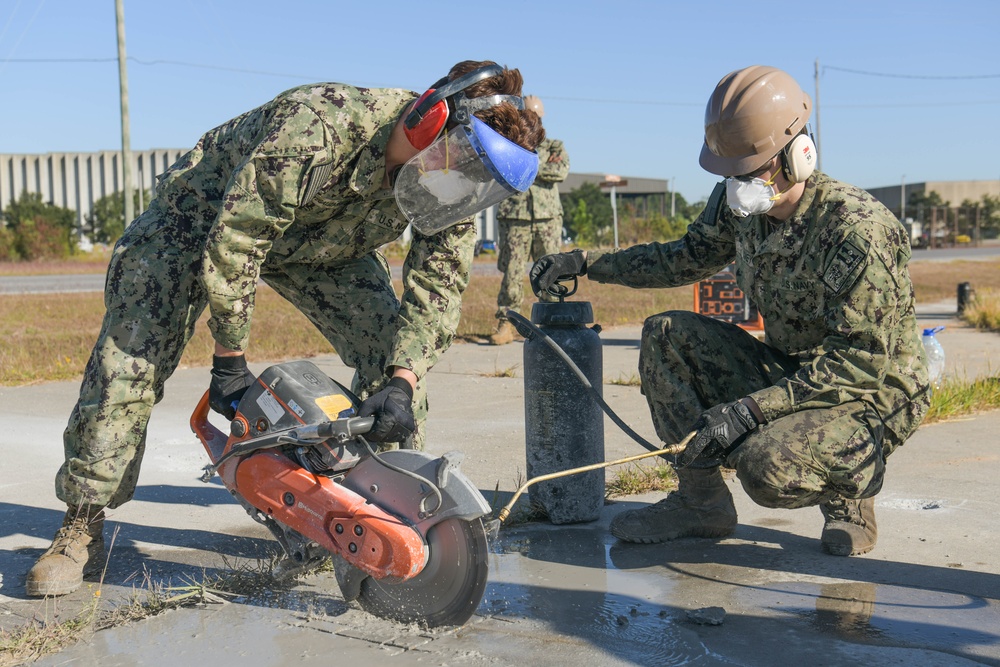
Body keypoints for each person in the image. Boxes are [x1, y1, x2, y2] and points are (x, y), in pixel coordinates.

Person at [27, 60, 544, 597]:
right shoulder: (319, 123)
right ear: (428, 119)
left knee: (392, 353)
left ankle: (382, 511)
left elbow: (437, 286)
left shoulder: (455, 183)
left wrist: (402, 381)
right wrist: (229, 362)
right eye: (459, 163)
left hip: (323, 246)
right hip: (200, 218)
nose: (460, 183)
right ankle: (80, 525)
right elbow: (239, 240)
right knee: (129, 361)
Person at [530, 65, 929, 557]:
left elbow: (861, 361)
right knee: (665, 333)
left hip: (870, 392)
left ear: (798, 156)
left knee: (767, 469)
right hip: (794, 369)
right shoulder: (743, 207)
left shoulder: (856, 230)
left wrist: (751, 411)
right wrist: (587, 262)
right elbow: (682, 257)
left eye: (750, 171)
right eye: (730, 174)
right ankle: (701, 503)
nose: (737, 185)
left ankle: (851, 489)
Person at [489, 96, 570, 345]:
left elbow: (561, 171)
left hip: (547, 219)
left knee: (550, 271)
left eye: (536, 116)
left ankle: (553, 322)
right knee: (512, 273)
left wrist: (528, 163)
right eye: (528, 115)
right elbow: (504, 169)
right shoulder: (508, 145)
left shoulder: (554, 146)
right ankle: (507, 323)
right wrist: (537, 163)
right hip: (516, 217)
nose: (532, 120)